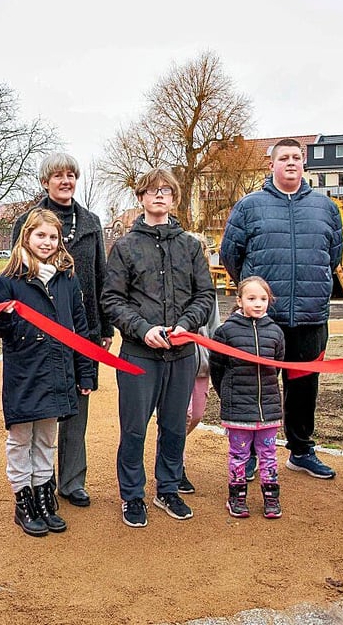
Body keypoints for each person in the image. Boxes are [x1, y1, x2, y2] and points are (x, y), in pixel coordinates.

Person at [219, 138, 343, 479]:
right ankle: (249, 455)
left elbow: (333, 256)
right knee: (257, 384)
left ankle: (301, 450)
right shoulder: (249, 206)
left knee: (303, 387)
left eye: (297, 157)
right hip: (262, 318)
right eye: (284, 158)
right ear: (270, 165)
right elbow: (231, 255)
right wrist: (255, 294)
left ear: (304, 164)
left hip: (309, 315)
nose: (291, 162)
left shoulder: (325, 208)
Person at [101, 169, 216, 528]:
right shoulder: (124, 247)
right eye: (153, 191)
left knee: (174, 426)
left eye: (166, 191)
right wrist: (142, 329)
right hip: (139, 354)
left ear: (173, 198)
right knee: (134, 428)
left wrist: (186, 325)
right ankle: (132, 495)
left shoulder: (190, 245)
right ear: (141, 198)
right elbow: (112, 299)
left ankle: (167, 487)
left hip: (181, 354)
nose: (160, 196)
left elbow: (205, 295)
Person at [11, 152, 112, 507]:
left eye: (71, 174)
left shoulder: (91, 222)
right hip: (39, 333)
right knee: (41, 406)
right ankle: (40, 481)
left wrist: (103, 326)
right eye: (59, 176)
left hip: (81, 328)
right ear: (45, 181)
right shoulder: (28, 221)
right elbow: (16, 277)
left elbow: (101, 275)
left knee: (76, 402)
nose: (66, 181)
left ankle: (71, 479)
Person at [0, 209, 96, 537]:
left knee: (47, 439)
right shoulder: (8, 280)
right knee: (22, 439)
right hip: (25, 373)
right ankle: (24, 500)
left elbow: (80, 327)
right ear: (27, 237)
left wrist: (86, 372)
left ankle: (43, 494)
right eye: (41, 236)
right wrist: (6, 317)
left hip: (57, 372)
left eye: (53, 237)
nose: (47, 242)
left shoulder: (67, 278)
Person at [210, 276, 285, 519]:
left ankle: (271, 497)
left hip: (268, 409)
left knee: (268, 454)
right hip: (238, 409)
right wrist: (228, 397)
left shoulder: (275, 331)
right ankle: (237, 496)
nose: (258, 303)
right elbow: (217, 368)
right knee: (239, 454)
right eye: (251, 298)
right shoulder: (226, 331)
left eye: (263, 299)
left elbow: (278, 366)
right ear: (239, 300)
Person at [179, 233, 221, 496]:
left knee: (196, 415)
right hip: (179, 362)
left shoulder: (209, 292)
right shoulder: (176, 287)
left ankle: (173, 455)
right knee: (178, 417)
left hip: (203, 364)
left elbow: (215, 326)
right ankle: (174, 465)